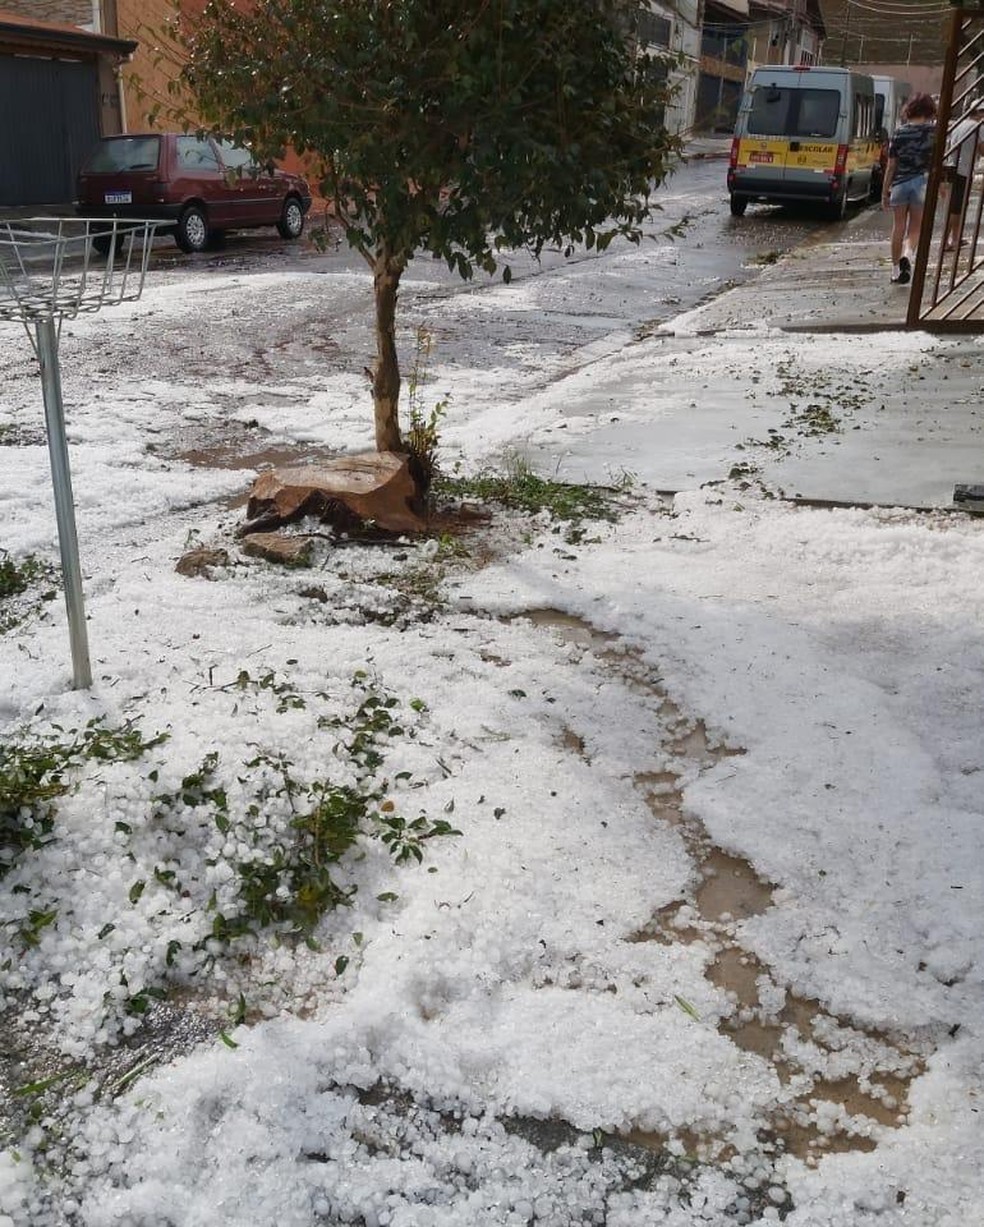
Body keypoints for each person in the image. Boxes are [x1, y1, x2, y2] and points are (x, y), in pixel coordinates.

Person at [881, 92, 938, 285]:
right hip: (921, 182)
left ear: (910, 110)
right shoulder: (934, 132)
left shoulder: (899, 132)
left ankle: (895, 270)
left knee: (898, 226)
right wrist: (942, 184)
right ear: (929, 110)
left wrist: (885, 190)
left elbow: (891, 165)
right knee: (915, 228)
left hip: (900, 184)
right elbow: (936, 162)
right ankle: (908, 255)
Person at [945, 99, 984, 251]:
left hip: (953, 168)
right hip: (963, 170)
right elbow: (982, 149)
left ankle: (955, 238)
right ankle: (949, 241)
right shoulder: (978, 126)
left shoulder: (960, 124)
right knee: (957, 208)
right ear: (979, 112)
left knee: (956, 207)